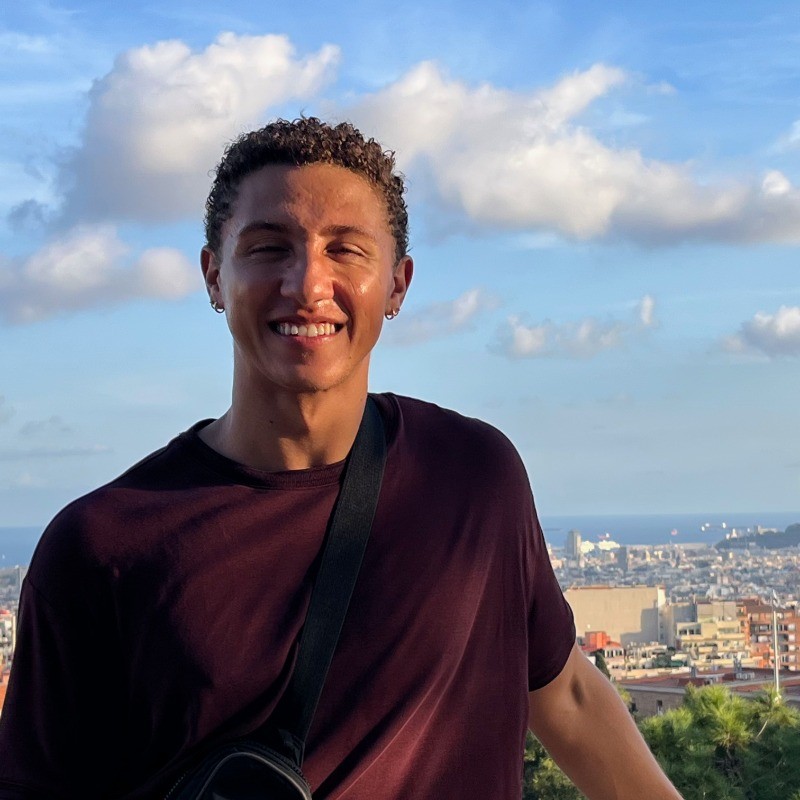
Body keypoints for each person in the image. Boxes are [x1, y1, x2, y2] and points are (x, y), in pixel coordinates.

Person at [0, 118, 681, 799]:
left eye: (346, 250)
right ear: (214, 276)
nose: (308, 283)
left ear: (397, 285)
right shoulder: (105, 547)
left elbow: (566, 696)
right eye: (269, 248)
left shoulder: (473, 479)